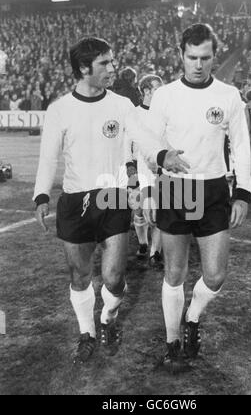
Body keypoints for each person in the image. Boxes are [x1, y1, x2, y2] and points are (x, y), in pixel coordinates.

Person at [33, 37, 187, 364]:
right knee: (79, 276)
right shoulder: (59, 109)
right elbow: (48, 158)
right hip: (75, 203)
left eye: (112, 62)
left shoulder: (121, 105)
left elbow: (143, 138)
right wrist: (41, 194)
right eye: (105, 63)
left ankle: (108, 319)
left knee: (115, 278)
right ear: (84, 68)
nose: (112, 68)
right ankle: (87, 332)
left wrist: (162, 154)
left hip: (112, 197)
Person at [144, 24, 251, 373]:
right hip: (175, 189)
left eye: (205, 57)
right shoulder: (164, 96)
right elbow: (147, 143)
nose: (198, 64)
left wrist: (244, 193)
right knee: (174, 273)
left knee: (216, 275)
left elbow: (242, 147)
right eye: (192, 57)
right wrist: (153, 178)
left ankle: (192, 317)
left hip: (214, 189)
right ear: (181, 55)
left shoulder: (229, 95)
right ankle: (173, 341)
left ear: (213, 56)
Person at [128, 74, 164, 267]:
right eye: (158, 88)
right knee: (140, 210)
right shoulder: (134, 113)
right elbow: (127, 143)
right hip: (139, 170)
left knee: (158, 213)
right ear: (146, 91)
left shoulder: (164, 113)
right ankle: (143, 243)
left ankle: (155, 252)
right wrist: (129, 166)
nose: (161, 92)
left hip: (159, 171)